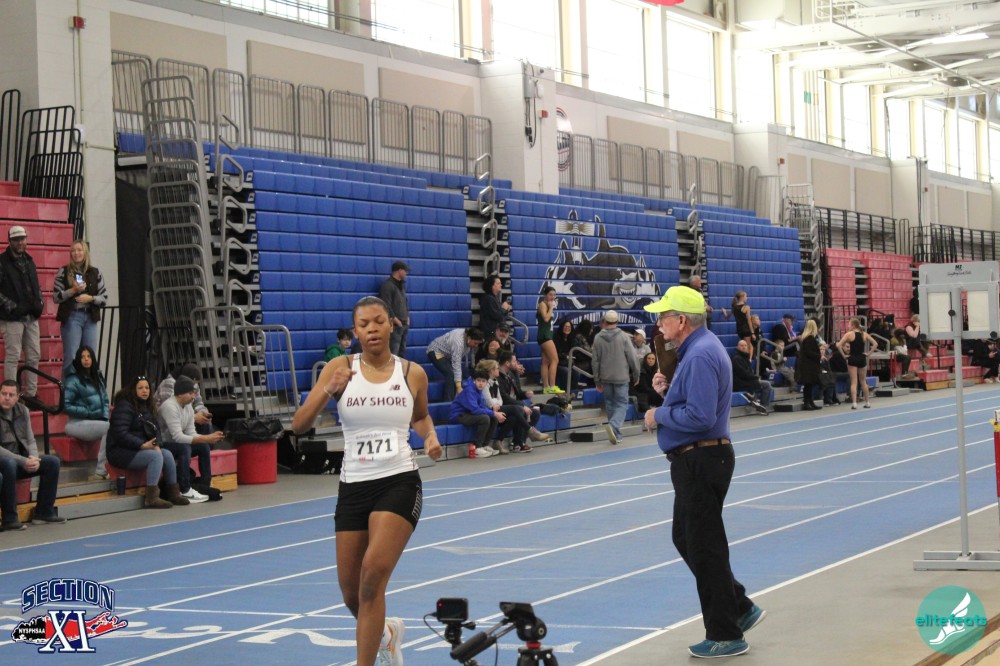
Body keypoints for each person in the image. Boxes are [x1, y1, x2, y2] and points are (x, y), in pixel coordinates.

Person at [291, 295, 442, 666]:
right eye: (363, 324)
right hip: (354, 485)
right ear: (355, 332)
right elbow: (299, 425)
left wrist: (430, 436)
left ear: (391, 324)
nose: (372, 329)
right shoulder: (339, 368)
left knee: (372, 577)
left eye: (378, 321)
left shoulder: (412, 373)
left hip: (399, 480)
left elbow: (419, 416)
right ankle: (386, 635)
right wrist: (329, 389)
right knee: (351, 593)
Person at [641, 286, 764, 658]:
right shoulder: (699, 350)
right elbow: (695, 405)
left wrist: (658, 414)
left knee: (704, 546)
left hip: (702, 459)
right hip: (699, 458)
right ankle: (738, 606)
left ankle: (726, 633)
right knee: (687, 537)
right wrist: (669, 392)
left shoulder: (699, 355)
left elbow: (699, 417)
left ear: (681, 320)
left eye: (664, 316)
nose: (659, 323)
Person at [107, 375, 189, 509]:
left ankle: (174, 493)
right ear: (133, 390)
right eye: (140, 388)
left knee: (167, 454)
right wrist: (142, 445)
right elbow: (120, 434)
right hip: (120, 451)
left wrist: (155, 445)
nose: (144, 391)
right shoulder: (124, 406)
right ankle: (151, 497)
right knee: (155, 456)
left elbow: (156, 431)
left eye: (147, 388)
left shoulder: (148, 407)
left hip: (139, 448)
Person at [0, 379, 66, 529]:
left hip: (21, 460)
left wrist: (34, 458)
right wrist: (23, 461)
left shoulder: (23, 411)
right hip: (5, 462)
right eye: (3, 394)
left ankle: (44, 512)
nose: (7, 397)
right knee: (9, 464)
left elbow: (30, 439)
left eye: (11, 395)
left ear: (17, 397)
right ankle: (9, 519)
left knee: (52, 462)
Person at [157, 376, 225, 503]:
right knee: (185, 448)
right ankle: (185, 489)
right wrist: (207, 438)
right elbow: (178, 437)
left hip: (176, 442)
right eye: (190, 393)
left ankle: (205, 485)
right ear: (180, 394)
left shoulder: (188, 406)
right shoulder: (169, 407)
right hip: (164, 443)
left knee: (203, 447)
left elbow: (191, 432)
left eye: (194, 393)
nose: (194, 396)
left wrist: (207, 440)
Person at [0, 226, 43, 398]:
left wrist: (39, 302)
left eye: (22, 239)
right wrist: (13, 307)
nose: (20, 242)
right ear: (9, 241)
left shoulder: (30, 261)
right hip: (11, 318)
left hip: (31, 316)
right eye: (16, 239)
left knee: (34, 355)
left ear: (26, 239)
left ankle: (31, 395)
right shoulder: (2, 261)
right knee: (13, 356)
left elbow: (36, 286)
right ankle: (10, 397)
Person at [52, 240, 108, 371]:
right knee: (71, 356)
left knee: (90, 356)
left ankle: (89, 383)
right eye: (73, 251)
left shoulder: (95, 272)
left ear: (85, 252)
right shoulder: (63, 271)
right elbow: (56, 297)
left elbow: (104, 298)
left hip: (90, 318)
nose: (76, 253)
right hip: (72, 317)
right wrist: (72, 291)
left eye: (79, 250)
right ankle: (70, 384)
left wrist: (91, 298)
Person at [62, 346, 112, 479]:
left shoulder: (97, 377)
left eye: (89, 356)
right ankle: (101, 470)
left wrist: (104, 417)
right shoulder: (72, 379)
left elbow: (105, 400)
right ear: (78, 360)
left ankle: (111, 468)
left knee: (114, 427)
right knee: (109, 428)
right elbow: (65, 405)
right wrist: (87, 412)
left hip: (94, 421)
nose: (86, 359)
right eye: (83, 357)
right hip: (75, 423)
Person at [592, 310, 640, 446]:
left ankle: (616, 434)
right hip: (621, 376)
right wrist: (636, 373)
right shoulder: (623, 336)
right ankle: (613, 425)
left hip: (605, 377)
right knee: (621, 404)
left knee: (610, 404)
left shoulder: (597, 338)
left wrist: (597, 379)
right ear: (617, 321)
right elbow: (632, 357)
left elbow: (595, 360)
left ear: (605, 321)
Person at [497, 350, 550, 448]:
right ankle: (524, 439)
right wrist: (521, 405)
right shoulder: (498, 377)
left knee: (535, 413)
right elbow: (505, 398)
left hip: (515, 404)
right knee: (520, 411)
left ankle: (521, 441)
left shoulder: (511, 374)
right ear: (507, 363)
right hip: (505, 406)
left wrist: (525, 394)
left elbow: (518, 393)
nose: (516, 363)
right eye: (514, 361)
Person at [449, 367, 499, 458]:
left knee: (493, 418)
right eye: (478, 380)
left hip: (468, 414)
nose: (481, 383)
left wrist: (494, 414)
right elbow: (475, 409)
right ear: (474, 381)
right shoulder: (470, 390)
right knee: (485, 418)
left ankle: (485, 445)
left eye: (483, 381)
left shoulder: (479, 391)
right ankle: (477, 447)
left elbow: (482, 407)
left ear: (486, 383)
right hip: (459, 415)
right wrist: (494, 413)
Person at [427, 327, 484, 402]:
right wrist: (459, 387)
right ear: (469, 338)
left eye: (478, 344)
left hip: (447, 354)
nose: (476, 346)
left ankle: (456, 400)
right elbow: (456, 364)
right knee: (451, 374)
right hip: (436, 352)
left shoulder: (467, 336)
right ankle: (448, 402)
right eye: (475, 343)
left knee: (457, 377)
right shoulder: (458, 343)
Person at [155, 363, 214, 435]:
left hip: (185, 419)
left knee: (206, 424)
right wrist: (194, 418)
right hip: (166, 426)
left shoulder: (194, 385)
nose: (194, 385)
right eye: (193, 382)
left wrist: (203, 412)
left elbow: (198, 402)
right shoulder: (168, 384)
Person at [836, 318, 877, 410]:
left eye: (849, 324)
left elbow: (838, 345)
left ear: (853, 325)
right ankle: (867, 402)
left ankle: (854, 403)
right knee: (863, 381)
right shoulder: (864, 334)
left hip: (852, 358)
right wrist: (868, 353)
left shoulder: (849, 334)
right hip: (862, 358)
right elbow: (875, 344)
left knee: (854, 382)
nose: (848, 326)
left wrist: (844, 355)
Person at [379, 260, 410, 357]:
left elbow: (405, 301)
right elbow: (385, 305)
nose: (406, 273)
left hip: (404, 324)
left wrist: (407, 317)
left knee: (402, 353)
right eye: (405, 271)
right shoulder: (388, 286)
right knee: (393, 353)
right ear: (399, 271)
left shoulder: (402, 285)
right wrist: (395, 320)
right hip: (394, 326)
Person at [731, 340, 769, 415]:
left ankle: (762, 405)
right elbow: (743, 374)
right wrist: (755, 378)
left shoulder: (745, 357)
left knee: (766, 384)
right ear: (738, 347)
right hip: (740, 382)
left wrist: (755, 378)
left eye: (745, 345)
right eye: (741, 346)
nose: (744, 347)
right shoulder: (736, 359)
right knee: (766, 385)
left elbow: (748, 373)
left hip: (747, 380)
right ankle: (761, 404)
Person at [536, 286, 563, 394]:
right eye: (550, 294)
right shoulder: (543, 304)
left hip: (546, 335)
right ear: (545, 295)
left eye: (554, 295)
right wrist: (551, 307)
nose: (553, 297)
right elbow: (546, 318)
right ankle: (552, 385)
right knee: (555, 360)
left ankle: (546, 387)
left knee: (545, 362)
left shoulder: (547, 304)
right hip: (545, 336)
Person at [795, 319, 822, 410]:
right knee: (808, 385)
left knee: (809, 385)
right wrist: (818, 356)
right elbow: (809, 352)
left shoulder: (807, 338)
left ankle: (810, 401)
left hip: (808, 365)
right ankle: (807, 402)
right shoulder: (809, 338)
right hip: (808, 366)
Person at [479, 275, 511, 340]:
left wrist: (506, 310)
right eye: (498, 283)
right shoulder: (489, 299)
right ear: (492, 286)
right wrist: (504, 308)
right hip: (490, 333)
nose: (501, 285)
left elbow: (502, 316)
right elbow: (498, 316)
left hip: (495, 332)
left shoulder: (494, 298)